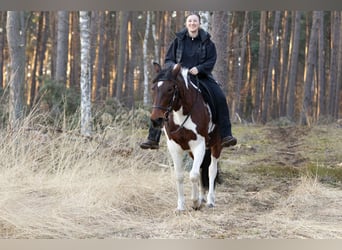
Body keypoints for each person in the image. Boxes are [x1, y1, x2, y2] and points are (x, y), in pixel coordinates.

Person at [140, 12, 237, 150]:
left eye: (195, 21)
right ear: (186, 24)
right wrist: (174, 67)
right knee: (161, 97)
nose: (192, 23)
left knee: (220, 97)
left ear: (199, 23)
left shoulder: (207, 42)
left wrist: (199, 68)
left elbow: (211, 60)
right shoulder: (178, 41)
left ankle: (226, 134)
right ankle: (153, 138)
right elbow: (168, 59)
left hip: (201, 77)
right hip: (179, 77)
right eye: (190, 21)